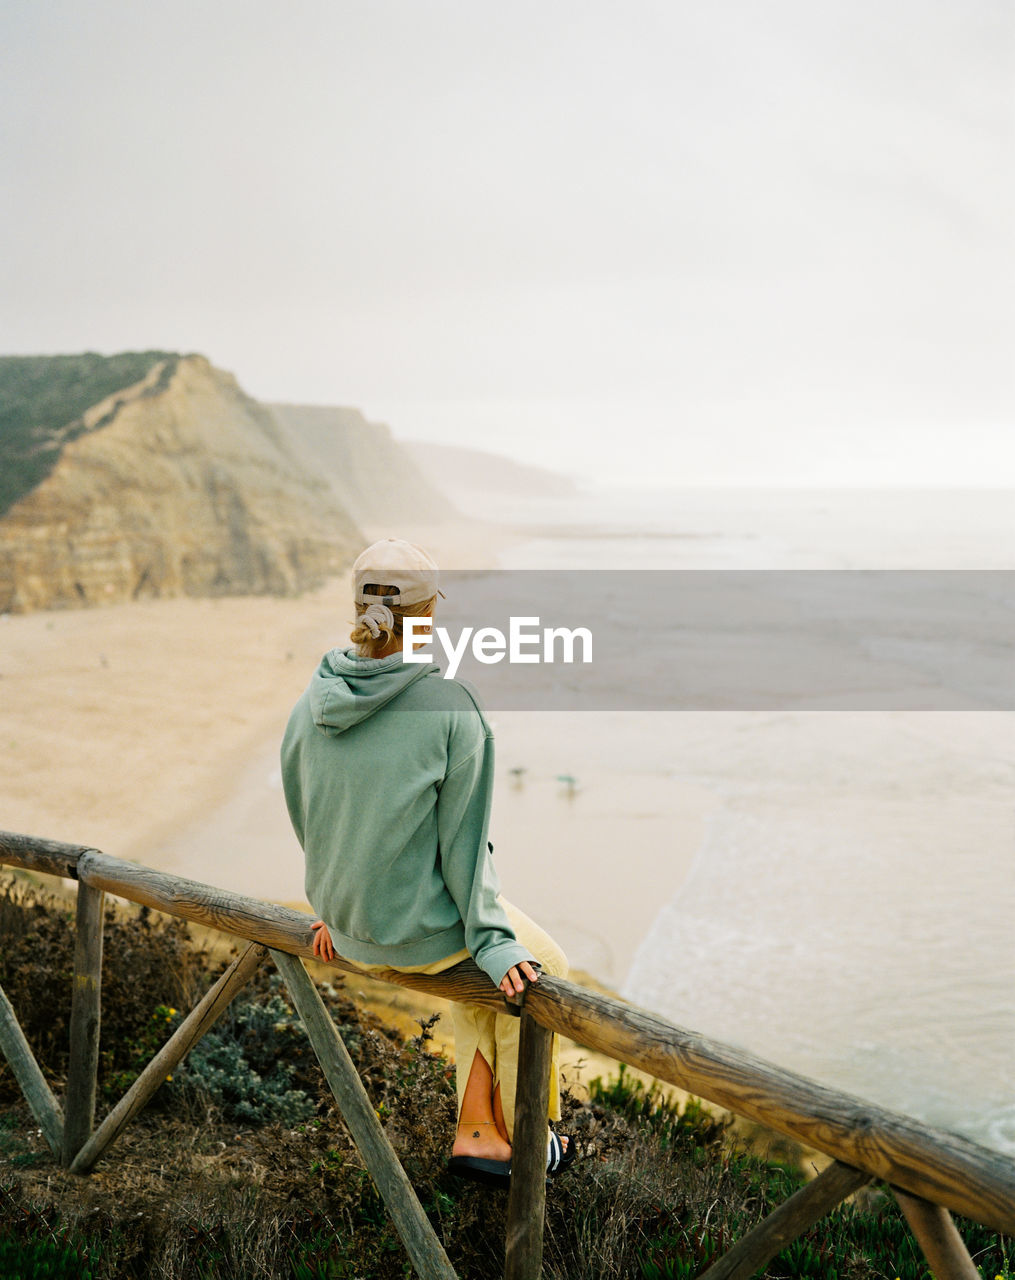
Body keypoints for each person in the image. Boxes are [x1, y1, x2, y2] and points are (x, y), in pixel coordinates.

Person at [279, 537, 574, 1186]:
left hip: (348, 934)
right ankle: (532, 1137)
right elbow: (464, 849)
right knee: (541, 965)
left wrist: (336, 909)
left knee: (485, 988)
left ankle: (477, 1130)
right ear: (427, 616)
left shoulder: (310, 704)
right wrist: (493, 942)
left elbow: (310, 817)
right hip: (416, 934)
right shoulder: (449, 705)